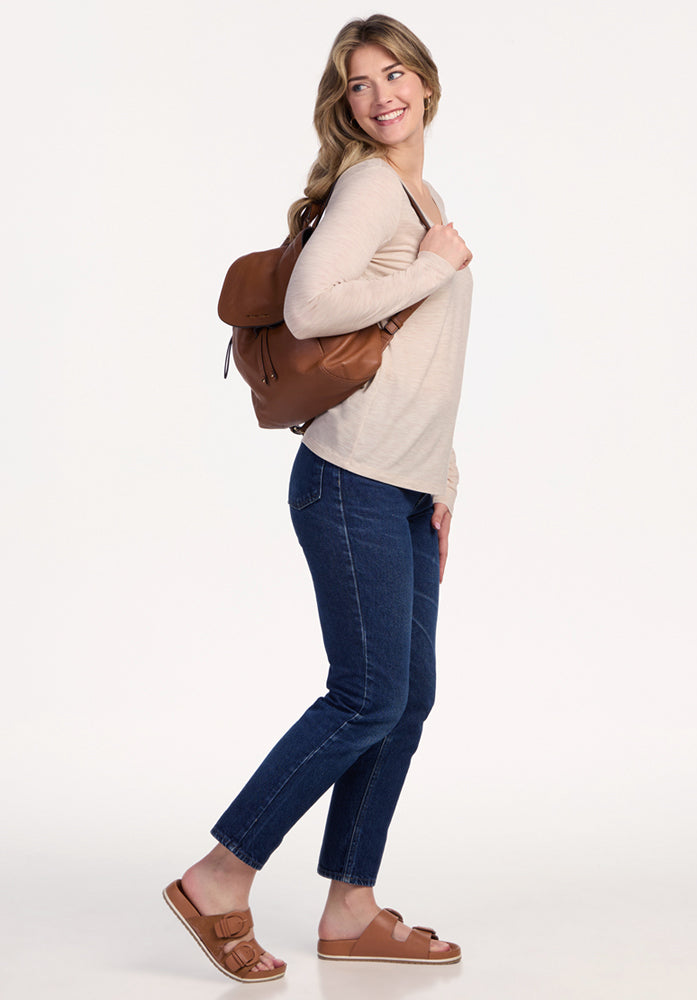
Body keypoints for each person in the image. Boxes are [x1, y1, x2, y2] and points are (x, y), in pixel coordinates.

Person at [163, 13, 473, 983]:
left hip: (403, 488)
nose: (380, 94)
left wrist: (444, 484)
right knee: (366, 695)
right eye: (358, 82)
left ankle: (349, 904)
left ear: (425, 81)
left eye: (393, 73)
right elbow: (307, 308)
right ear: (345, 105)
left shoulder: (421, 196)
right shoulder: (375, 188)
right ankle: (220, 876)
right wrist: (435, 266)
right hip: (349, 482)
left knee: (405, 698)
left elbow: (430, 364)